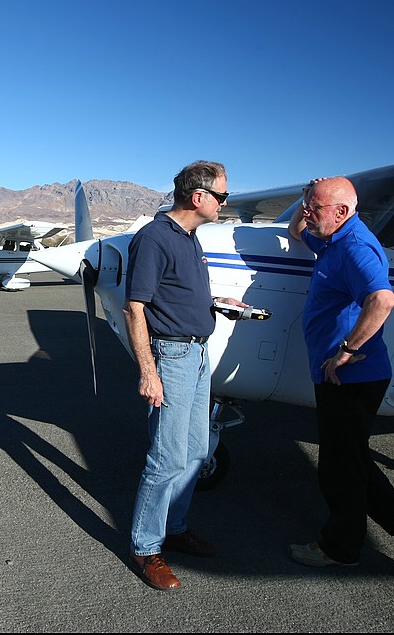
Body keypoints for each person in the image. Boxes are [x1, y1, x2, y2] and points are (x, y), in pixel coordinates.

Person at [287, 176, 394, 577]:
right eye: (307, 206)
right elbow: (296, 231)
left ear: (341, 211)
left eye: (315, 208)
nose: (307, 213)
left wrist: (348, 350)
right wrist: (306, 198)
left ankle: (341, 547)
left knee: (339, 470)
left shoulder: (355, 247)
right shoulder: (332, 238)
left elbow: (382, 299)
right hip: (340, 376)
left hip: (353, 378)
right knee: (350, 462)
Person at [124, 160, 248, 591]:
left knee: (196, 452)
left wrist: (216, 302)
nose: (225, 203)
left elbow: (172, 293)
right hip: (171, 357)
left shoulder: (189, 237)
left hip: (196, 354)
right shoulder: (155, 238)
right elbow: (135, 308)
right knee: (167, 457)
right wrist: (148, 372)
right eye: (222, 196)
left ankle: (174, 528)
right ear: (199, 197)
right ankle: (145, 547)